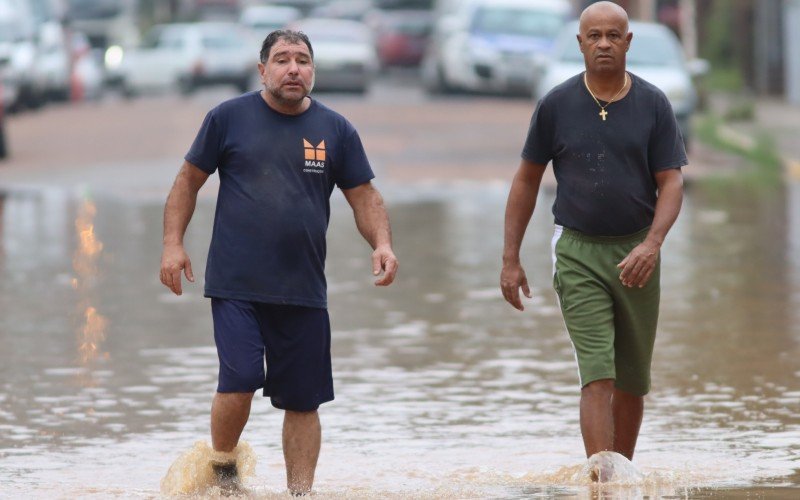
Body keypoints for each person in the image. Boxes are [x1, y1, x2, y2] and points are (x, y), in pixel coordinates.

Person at [159, 30, 398, 495]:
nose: (294, 69)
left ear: (313, 70)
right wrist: (173, 243)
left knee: (304, 401)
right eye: (283, 59)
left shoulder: (336, 130)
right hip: (236, 284)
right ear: (262, 68)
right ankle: (224, 471)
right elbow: (188, 181)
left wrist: (382, 243)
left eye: (303, 60)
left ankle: (300, 493)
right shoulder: (228, 118)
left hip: (304, 287)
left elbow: (364, 196)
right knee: (241, 377)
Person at [500, 1, 685, 478]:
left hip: (638, 252)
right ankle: (601, 482)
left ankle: (622, 475)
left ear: (627, 42)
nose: (603, 43)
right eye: (594, 35)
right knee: (598, 372)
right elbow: (525, 181)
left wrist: (652, 244)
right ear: (581, 43)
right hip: (578, 251)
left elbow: (671, 181)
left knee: (632, 380)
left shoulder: (653, 104)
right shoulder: (557, 105)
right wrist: (510, 259)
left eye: (613, 35)